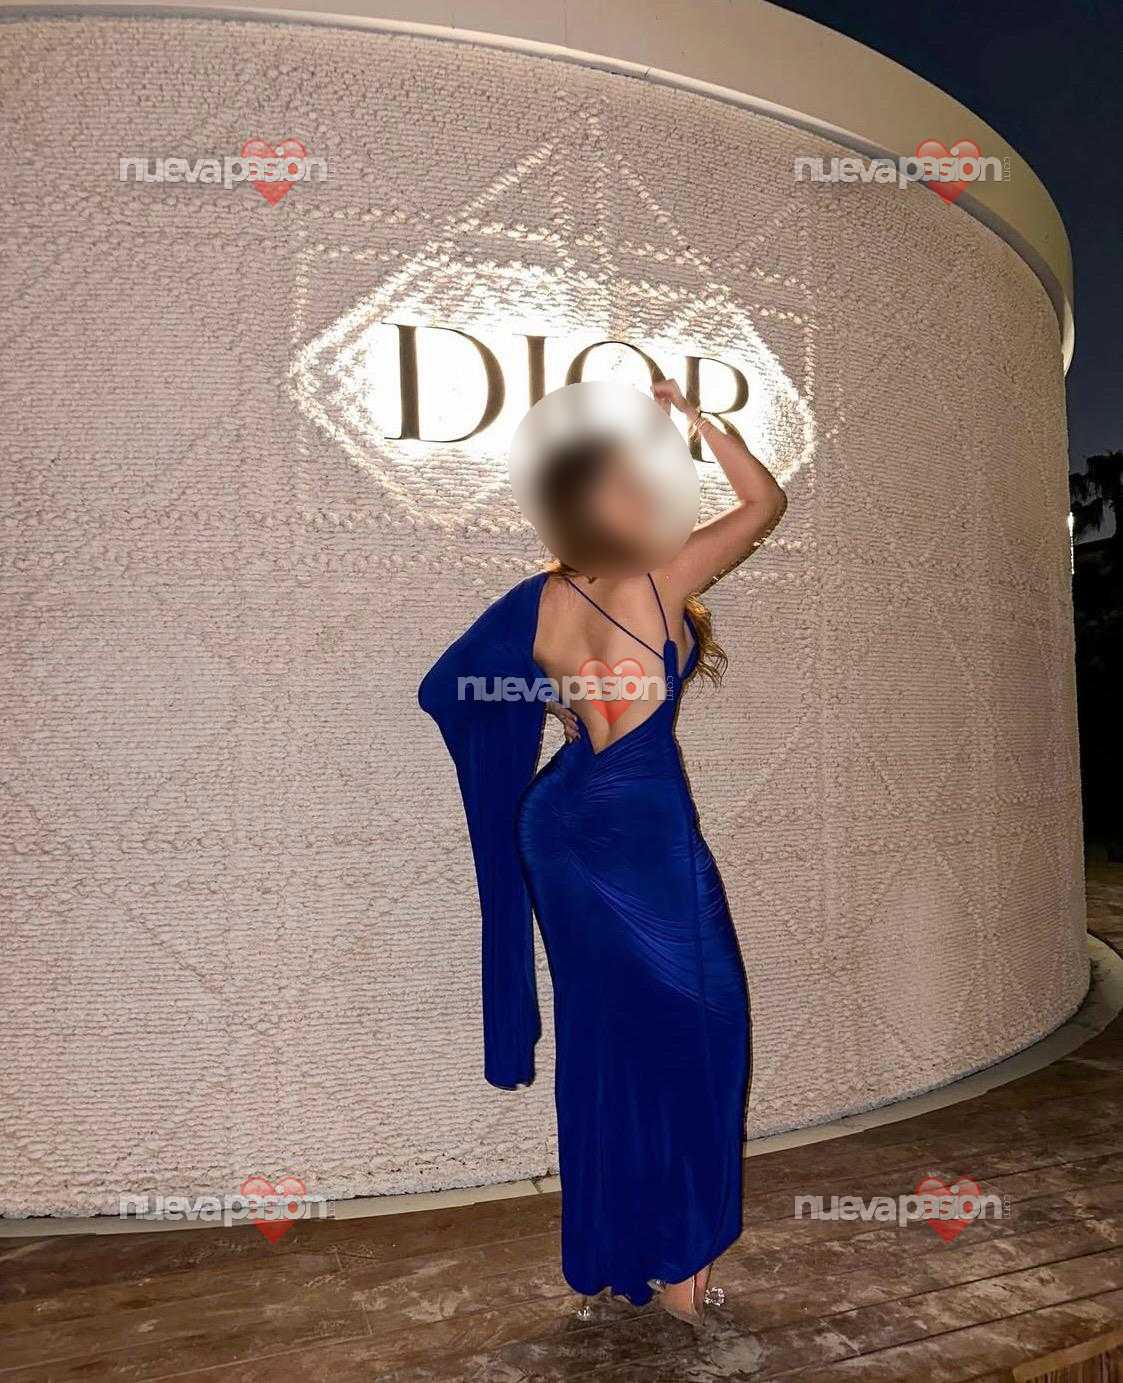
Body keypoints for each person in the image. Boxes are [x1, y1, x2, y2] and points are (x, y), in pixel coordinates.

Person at [419, 378, 787, 1324]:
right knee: (706, 1033)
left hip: (557, 820)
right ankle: (683, 1271)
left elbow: (446, 689)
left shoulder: (537, 601)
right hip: (638, 824)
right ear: (604, 503)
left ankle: (624, 1246)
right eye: (633, 484)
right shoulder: (657, 576)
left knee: (607, 1037)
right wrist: (698, 417)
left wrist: (547, 705)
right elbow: (764, 502)